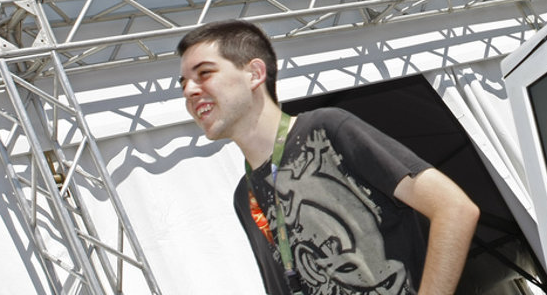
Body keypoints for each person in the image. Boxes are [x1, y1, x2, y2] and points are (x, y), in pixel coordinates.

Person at [178, 19, 479, 295]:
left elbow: (454, 208)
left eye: (204, 73)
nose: (189, 90)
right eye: (183, 83)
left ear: (255, 74)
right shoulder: (244, 196)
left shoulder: (326, 129)